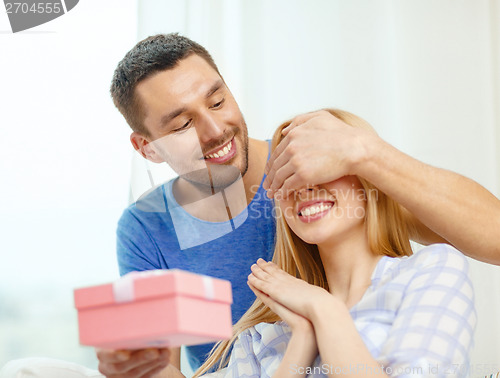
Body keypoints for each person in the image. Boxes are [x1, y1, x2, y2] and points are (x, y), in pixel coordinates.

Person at [96, 33, 499, 378]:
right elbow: (161, 366)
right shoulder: (146, 229)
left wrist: (366, 153)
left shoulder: (318, 170)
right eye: (182, 125)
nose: (215, 130)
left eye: (217, 101)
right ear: (147, 148)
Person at [190, 109, 476, 377]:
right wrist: (302, 338)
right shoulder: (259, 339)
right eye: (287, 173)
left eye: (321, 166)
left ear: (370, 177)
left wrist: (325, 311)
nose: (304, 185)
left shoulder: (431, 272)